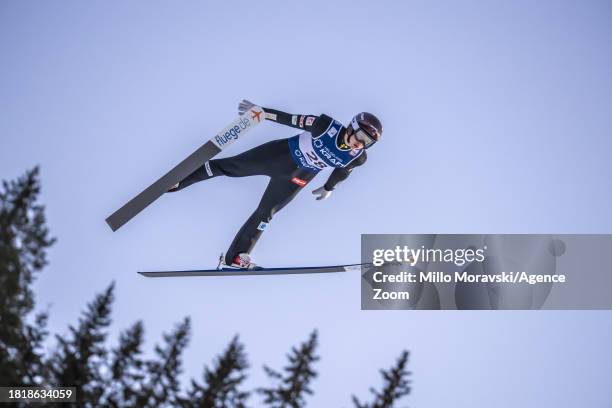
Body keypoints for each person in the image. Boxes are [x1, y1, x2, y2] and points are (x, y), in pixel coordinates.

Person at [168, 100, 383, 269]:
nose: (361, 144)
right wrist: (260, 113)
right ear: (353, 126)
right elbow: (290, 119)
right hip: (279, 156)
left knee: (266, 213)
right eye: (362, 136)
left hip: (298, 178)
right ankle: (179, 181)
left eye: (368, 143)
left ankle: (235, 258)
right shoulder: (325, 126)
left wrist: (328, 187)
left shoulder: (358, 157)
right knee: (229, 167)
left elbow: (342, 171)